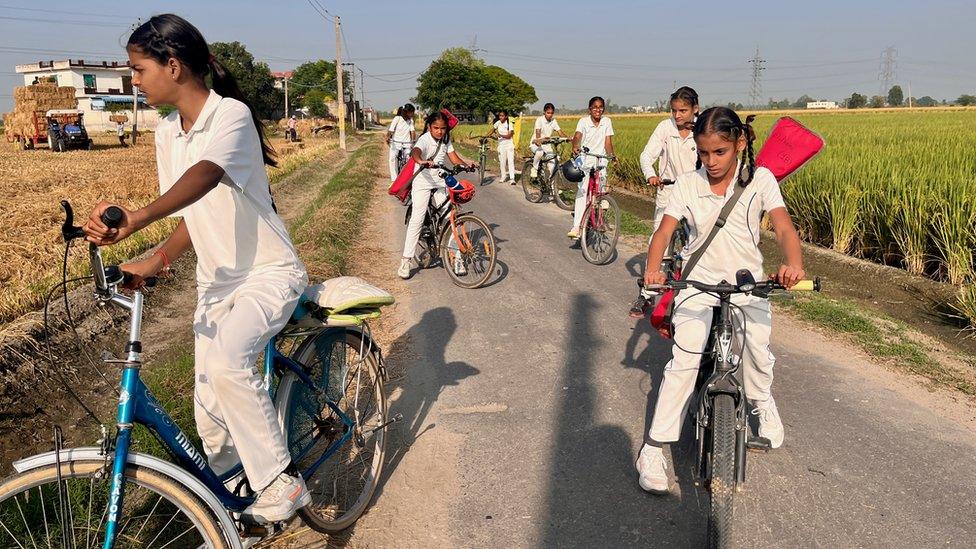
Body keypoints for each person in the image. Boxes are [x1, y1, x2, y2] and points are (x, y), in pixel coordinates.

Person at [81, 14, 310, 523]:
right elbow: (193, 212)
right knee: (208, 414)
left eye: (138, 69)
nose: (134, 81)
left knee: (229, 364)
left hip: (266, 273)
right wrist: (157, 258)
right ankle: (238, 507)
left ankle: (280, 482)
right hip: (216, 280)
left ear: (174, 65)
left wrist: (137, 218)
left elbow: (205, 177)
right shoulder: (167, 132)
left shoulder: (230, 115)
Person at [634, 107, 806, 494]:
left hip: (748, 285)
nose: (711, 162)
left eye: (720, 153)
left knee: (757, 355)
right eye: (704, 153)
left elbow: (782, 227)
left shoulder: (760, 180)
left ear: (740, 144)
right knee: (685, 359)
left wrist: (793, 265)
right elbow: (663, 233)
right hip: (698, 285)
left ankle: (761, 402)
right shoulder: (687, 184)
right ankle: (653, 448)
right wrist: (654, 269)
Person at [399, 111, 477, 279]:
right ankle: (406, 260)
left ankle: (456, 258)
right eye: (436, 128)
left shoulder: (446, 140)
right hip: (422, 183)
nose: (440, 132)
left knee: (451, 218)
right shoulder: (425, 139)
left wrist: (466, 165)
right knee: (417, 219)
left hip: (440, 182)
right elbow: (416, 152)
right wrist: (421, 161)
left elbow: (455, 159)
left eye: (443, 128)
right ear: (429, 127)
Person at [639, 86, 700, 230]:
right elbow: (646, 155)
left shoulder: (704, 128)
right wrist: (651, 175)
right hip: (669, 190)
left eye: (683, 111)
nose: (677, 115)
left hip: (697, 192)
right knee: (660, 237)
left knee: (699, 240)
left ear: (695, 109)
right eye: (674, 110)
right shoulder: (665, 127)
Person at [568, 96, 615, 239]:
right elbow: (577, 136)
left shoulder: (607, 122)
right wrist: (575, 146)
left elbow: (608, 141)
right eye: (595, 107)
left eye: (600, 107)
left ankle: (599, 218)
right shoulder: (583, 121)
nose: (598, 110)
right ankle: (576, 227)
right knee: (582, 192)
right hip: (586, 159)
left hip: (600, 160)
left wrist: (612, 155)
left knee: (601, 190)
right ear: (590, 109)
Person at [529, 102, 567, 178]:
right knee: (540, 152)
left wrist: (567, 138)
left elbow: (560, 132)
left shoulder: (554, 121)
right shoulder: (539, 120)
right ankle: (534, 168)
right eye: (548, 113)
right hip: (536, 144)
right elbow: (538, 134)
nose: (550, 115)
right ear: (544, 112)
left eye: (552, 113)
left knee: (553, 164)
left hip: (547, 145)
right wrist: (539, 140)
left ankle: (552, 188)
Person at [385, 103, 416, 181]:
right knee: (392, 159)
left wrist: (413, 142)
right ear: (406, 112)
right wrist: (388, 138)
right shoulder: (397, 118)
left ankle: (407, 178)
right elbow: (391, 130)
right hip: (396, 143)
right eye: (411, 112)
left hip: (407, 143)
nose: (412, 114)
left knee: (409, 159)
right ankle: (394, 179)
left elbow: (412, 132)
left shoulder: (410, 121)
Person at [488, 110, 516, 184]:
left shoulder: (509, 124)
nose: (501, 117)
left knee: (510, 161)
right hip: (501, 145)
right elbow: (492, 129)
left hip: (509, 145)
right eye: (500, 116)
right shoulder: (498, 123)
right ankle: (503, 176)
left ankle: (512, 178)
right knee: (502, 162)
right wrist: (487, 135)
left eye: (502, 116)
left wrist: (500, 135)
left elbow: (510, 135)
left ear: (506, 116)